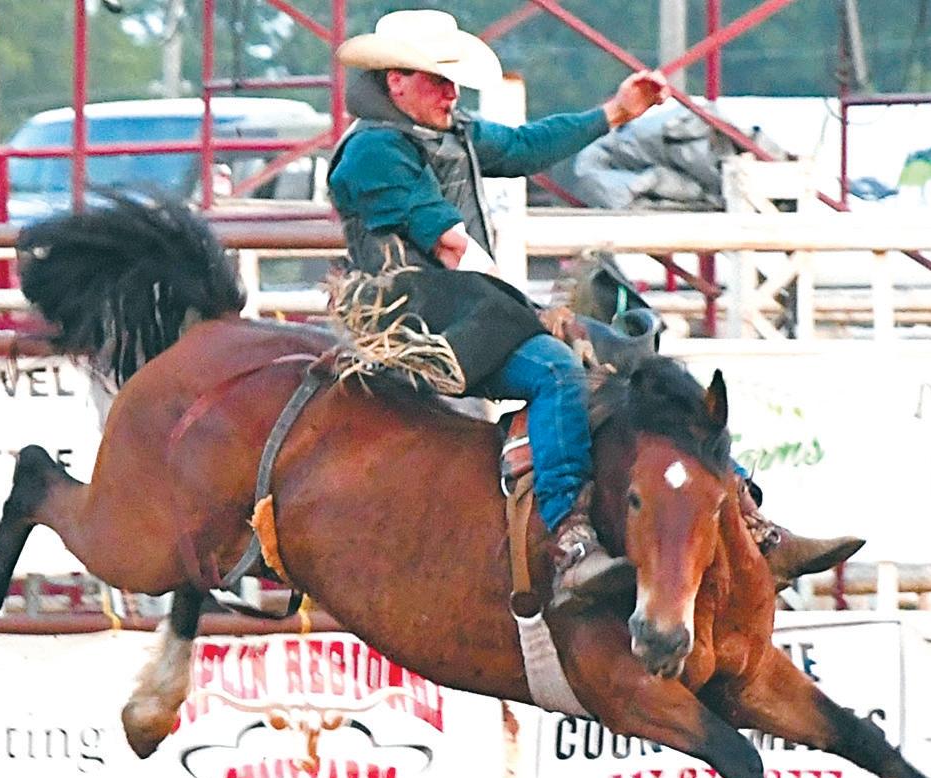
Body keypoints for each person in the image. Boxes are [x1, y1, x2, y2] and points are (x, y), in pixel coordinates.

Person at [328, 9, 862, 600]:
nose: (451, 93)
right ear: (396, 82)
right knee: (557, 369)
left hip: (464, 306)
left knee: (646, 371)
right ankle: (569, 533)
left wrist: (617, 112)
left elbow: (526, 145)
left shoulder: (446, 132)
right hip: (415, 319)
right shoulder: (374, 152)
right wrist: (521, 310)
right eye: (437, 80)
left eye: (451, 80)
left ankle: (748, 519)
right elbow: (450, 243)